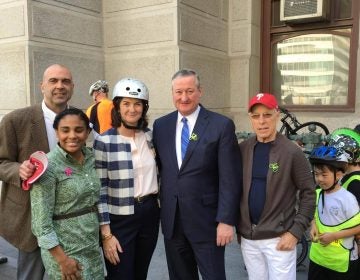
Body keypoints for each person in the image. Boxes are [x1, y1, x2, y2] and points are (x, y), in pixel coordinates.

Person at [153, 69, 242, 280]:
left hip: (207, 223)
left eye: (190, 91)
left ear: (200, 92)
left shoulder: (221, 125)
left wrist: (226, 221)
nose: (184, 97)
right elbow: (162, 169)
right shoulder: (161, 125)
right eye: (179, 92)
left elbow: (230, 177)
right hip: (173, 223)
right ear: (172, 93)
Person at [0, 64, 74, 280]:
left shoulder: (80, 120)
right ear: (42, 86)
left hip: (68, 218)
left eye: (65, 81)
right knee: (30, 275)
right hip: (31, 217)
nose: (60, 86)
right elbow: (1, 162)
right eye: (53, 81)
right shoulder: (16, 120)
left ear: (72, 86)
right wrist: (18, 170)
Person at [237, 93, 315, 280]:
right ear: (250, 119)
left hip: (279, 239)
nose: (262, 121)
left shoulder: (291, 152)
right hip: (249, 239)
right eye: (256, 116)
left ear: (277, 115)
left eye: (267, 115)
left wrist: (295, 232)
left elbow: (309, 193)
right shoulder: (243, 149)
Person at [93, 78, 160, 280]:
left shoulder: (150, 136)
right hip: (119, 217)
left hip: (149, 212)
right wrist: (106, 235)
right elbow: (100, 190)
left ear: (144, 107)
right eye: (126, 103)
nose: (132, 109)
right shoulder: (104, 141)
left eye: (138, 103)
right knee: (120, 275)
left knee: (140, 273)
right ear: (117, 107)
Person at [30, 108, 104, 279]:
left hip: (91, 247)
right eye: (65, 130)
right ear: (56, 132)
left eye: (79, 130)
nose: (72, 135)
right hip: (65, 251)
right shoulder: (48, 167)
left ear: (87, 133)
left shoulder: (91, 158)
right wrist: (63, 260)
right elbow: (41, 225)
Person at [308, 145, 360, 280]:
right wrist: (313, 225)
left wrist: (334, 235)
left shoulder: (347, 199)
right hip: (317, 259)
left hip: (340, 264)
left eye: (324, 175)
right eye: (316, 174)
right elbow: (314, 214)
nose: (319, 179)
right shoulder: (317, 193)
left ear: (338, 174)